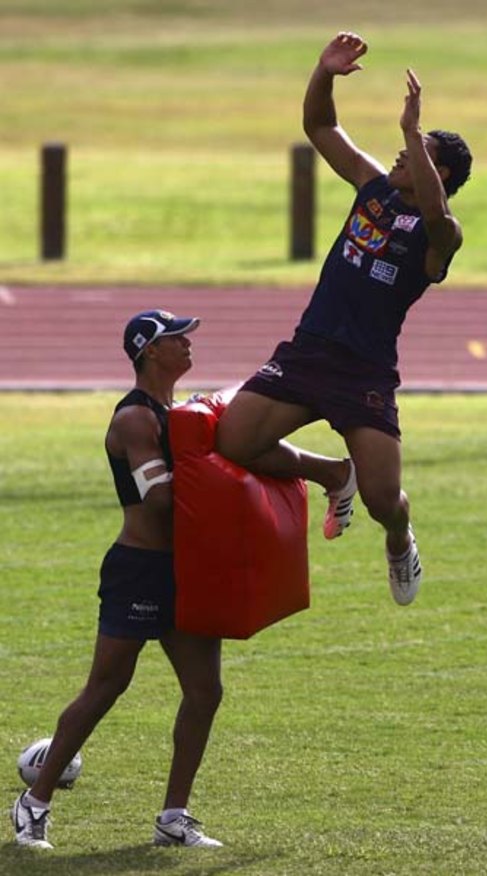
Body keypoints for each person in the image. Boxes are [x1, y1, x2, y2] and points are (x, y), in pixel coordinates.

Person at [215, 31, 472, 606]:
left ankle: (400, 540)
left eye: (421, 151)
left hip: (364, 374)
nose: (404, 152)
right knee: (232, 441)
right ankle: (333, 474)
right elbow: (321, 128)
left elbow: (435, 214)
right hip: (309, 353)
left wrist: (414, 130)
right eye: (407, 145)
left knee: (385, 500)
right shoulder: (372, 187)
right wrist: (324, 72)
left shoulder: (443, 235)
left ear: (444, 173)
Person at [12, 310, 226, 850]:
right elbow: (158, 501)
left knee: (205, 691)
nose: (187, 344)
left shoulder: (179, 412)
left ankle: (173, 818)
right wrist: (223, 489)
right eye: (177, 338)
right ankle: (34, 803)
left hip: (184, 569)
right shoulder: (135, 419)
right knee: (107, 686)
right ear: (150, 351)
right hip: (140, 569)